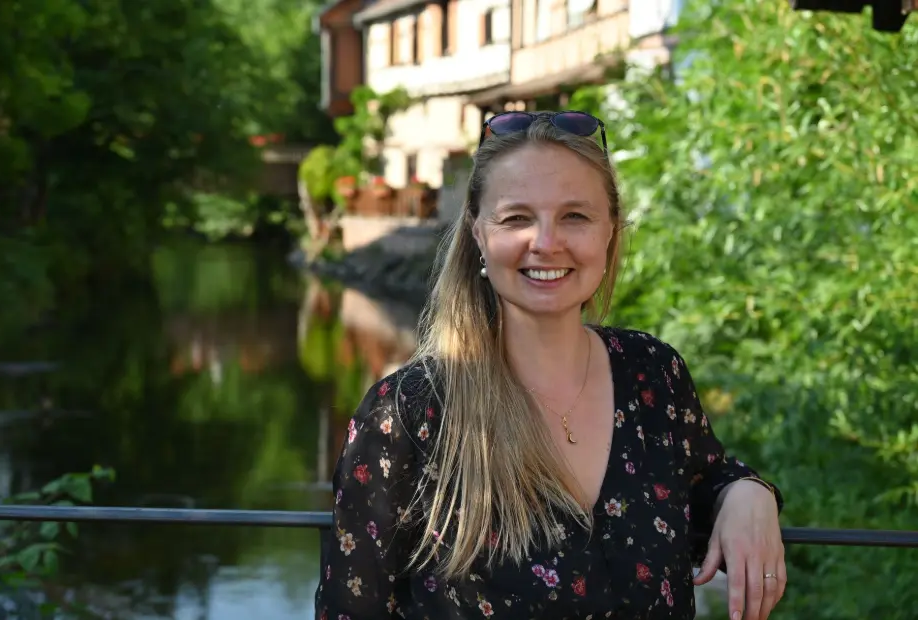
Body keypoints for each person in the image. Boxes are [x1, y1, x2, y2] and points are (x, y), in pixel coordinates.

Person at [315, 111, 785, 620]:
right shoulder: (407, 417)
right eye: (517, 217)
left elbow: (706, 476)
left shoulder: (653, 374)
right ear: (477, 233)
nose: (545, 242)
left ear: (611, 229)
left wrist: (747, 494)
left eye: (574, 216)